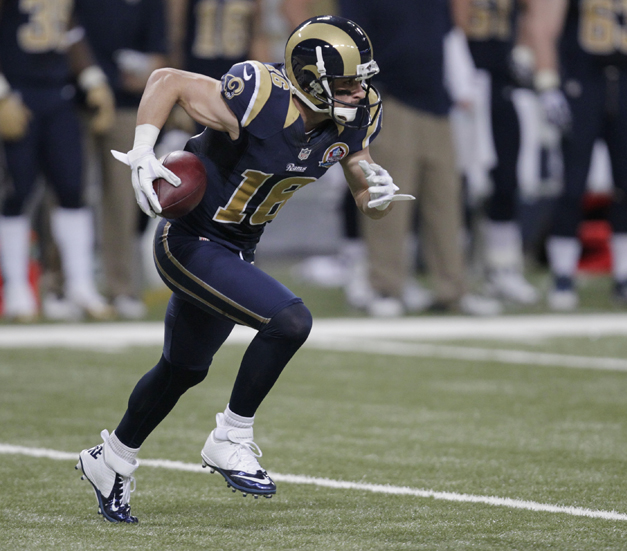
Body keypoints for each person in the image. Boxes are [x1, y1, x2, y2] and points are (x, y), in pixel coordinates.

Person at [76, 15, 413, 523]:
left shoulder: (359, 112)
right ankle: (230, 435)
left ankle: (113, 459)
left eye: (361, 79)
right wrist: (144, 149)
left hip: (235, 249)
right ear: (307, 76)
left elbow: (358, 170)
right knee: (291, 320)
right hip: (189, 239)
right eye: (344, 82)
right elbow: (167, 80)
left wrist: (377, 197)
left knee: (183, 369)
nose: (357, 90)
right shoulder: (260, 95)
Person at [339, 0, 502, 317]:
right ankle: (385, 287)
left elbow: (449, 36)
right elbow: (351, 46)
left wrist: (460, 85)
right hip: (390, 102)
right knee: (387, 200)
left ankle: (452, 289)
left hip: (438, 102)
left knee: (446, 202)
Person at [527, 0, 627, 310]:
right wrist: (547, 82)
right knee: (572, 184)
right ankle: (563, 275)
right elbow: (542, 25)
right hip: (582, 81)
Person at [0, 0, 116, 321]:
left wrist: (93, 79)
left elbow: (70, 32)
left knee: (71, 188)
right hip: (18, 94)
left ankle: (80, 283)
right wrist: (2, 94)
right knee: (17, 191)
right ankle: (16, 288)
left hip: (59, 94)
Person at [76, 0, 169, 320]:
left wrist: (147, 72)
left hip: (128, 102)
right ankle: (60, 284)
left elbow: (159, 47)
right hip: (74, 98)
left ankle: (121, 288)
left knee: (124, 198)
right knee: (65, 193)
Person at [459, 0, 540, 305]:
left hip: (503, 81)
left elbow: (533, 14)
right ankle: (456, 269)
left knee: (507, 179)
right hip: (461, 81)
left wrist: (525, 52)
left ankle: (502, 267)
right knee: (455, 183)